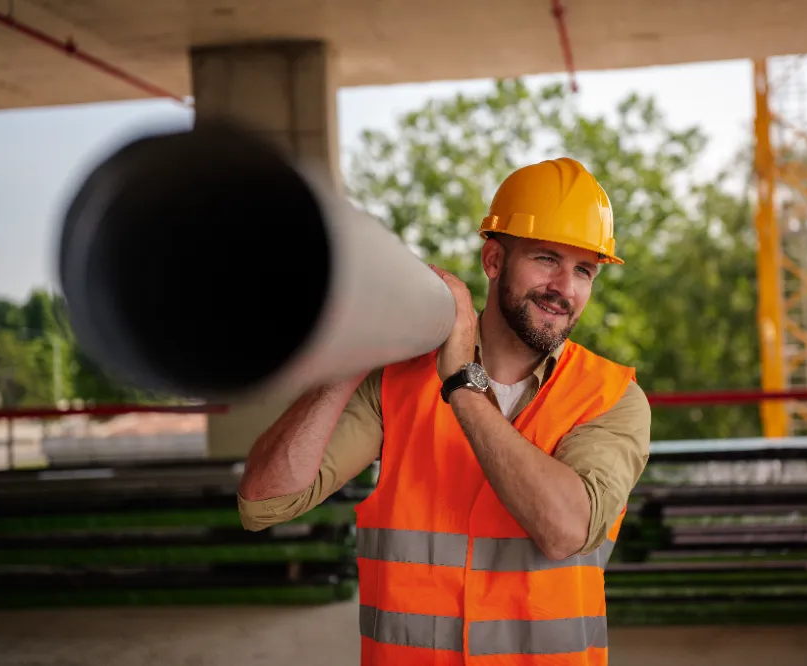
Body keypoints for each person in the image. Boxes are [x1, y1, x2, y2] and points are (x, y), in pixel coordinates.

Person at [237, 157, 652, 665]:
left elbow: (564, 530)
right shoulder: (396, 381)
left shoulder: (611, 397)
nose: (564, 288)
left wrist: (461, 384)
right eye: (546, 258)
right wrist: (349, 355)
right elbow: (264, 503)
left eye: (583, 270)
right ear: (494, 260)